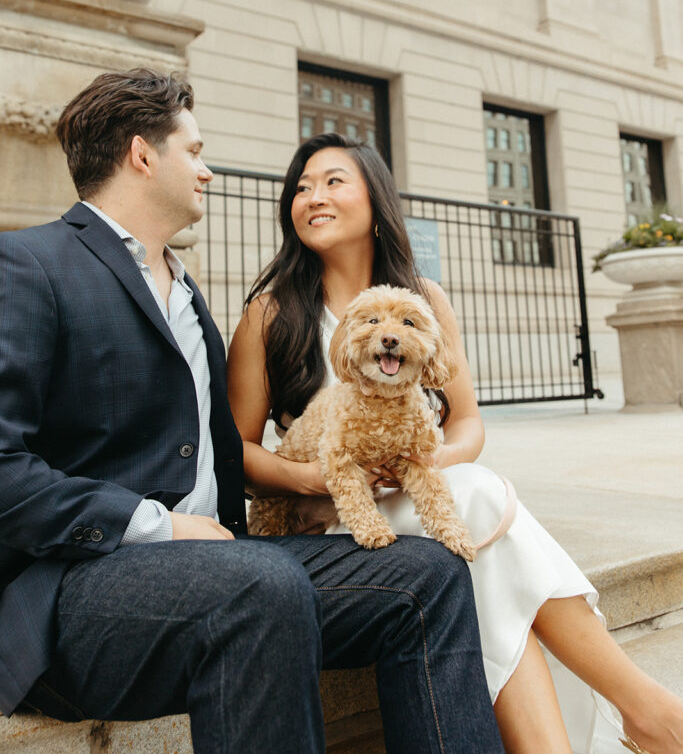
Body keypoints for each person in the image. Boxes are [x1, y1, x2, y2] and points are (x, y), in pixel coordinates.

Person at [0, 69, 504, 754]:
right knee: (257, 584)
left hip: (228, 561)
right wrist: (159, 527)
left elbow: (221, 447)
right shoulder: (27, 265)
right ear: (144, 156)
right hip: (79, 594)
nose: (206, 172)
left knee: (429, 574)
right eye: (195, 151)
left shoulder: (184, 291)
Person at [228, 132, 683, 754]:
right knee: (476, 502)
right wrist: (316, 481)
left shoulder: (425, 298)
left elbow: (466, 425)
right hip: (329, 522)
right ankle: (645, 709)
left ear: (374, 198)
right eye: (301, 188)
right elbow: (236, 453)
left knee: (472, 514)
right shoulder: (271, 312)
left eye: (333, 181)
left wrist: (419, 464)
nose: (312, 197)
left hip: (412, 499)